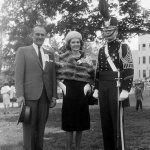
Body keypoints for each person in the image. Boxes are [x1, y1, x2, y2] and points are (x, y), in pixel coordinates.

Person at [93, 16, 134, 150]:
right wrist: (97, 88)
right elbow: (98, 70)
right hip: (103, 86)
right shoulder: (101, 50)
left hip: (116, 86)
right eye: (105, 29)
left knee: (117, 123)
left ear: (116, 31)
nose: (107, 32)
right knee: (105, 122)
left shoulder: (123, 47)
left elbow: (128, 68)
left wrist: (126, 89)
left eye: (110, 29)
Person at [15, 25, 57, 150]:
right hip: (29, 97)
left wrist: (54, 95)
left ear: (45, 36)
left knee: (41, 129)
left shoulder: (50, 53)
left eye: (42, 35)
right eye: (37, 34)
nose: (40, 37)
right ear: (32, 35)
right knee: (29, 129)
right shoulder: (23, 51)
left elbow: (52, 76)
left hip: (45, 96)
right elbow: (18, 75)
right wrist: (19, 95)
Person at [56, 31, 94, 150]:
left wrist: (89, 85)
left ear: (80, 43)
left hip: (81, 91)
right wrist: (62, 86)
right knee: (69, 123)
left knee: (80, 123)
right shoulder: (62, 57)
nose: (76, 44)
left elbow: (93, 74)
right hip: (68, 90)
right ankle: (68, 148)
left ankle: (78, 148)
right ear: (69, 44)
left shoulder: (86, 58)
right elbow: (55, 74)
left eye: (78, 42)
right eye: (73, 42)